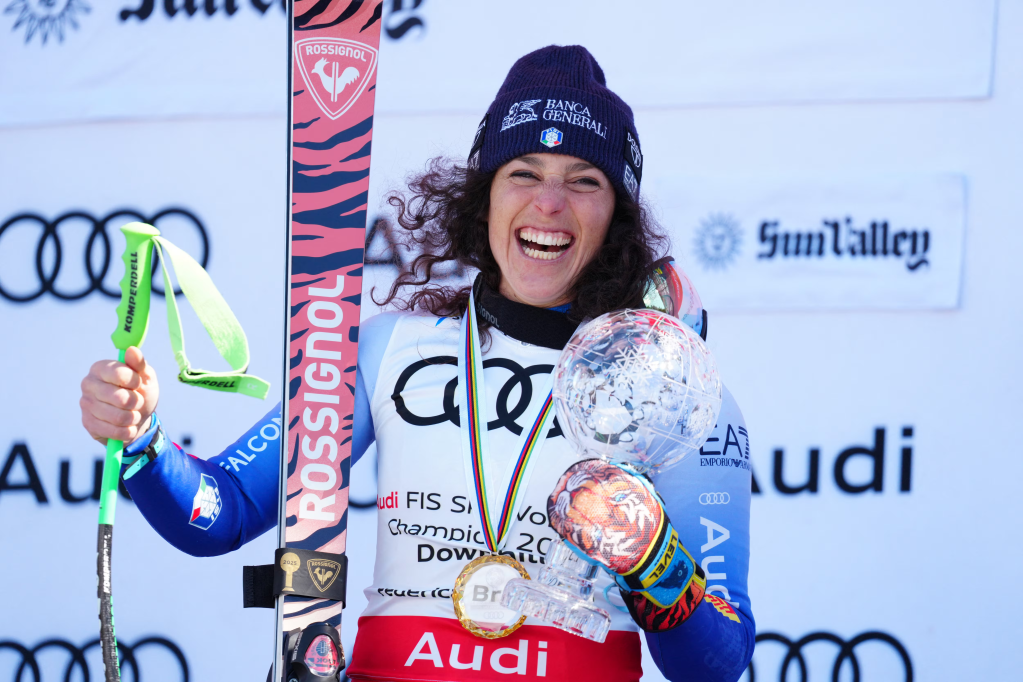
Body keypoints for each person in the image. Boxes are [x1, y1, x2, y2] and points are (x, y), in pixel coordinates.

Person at [79, 45, 754, 682]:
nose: (549, 203)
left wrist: (653, 557)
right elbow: (218, 514)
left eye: (584, 181)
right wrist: (141, 440)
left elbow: (716, 661)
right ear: (484, 198)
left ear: (617, 218)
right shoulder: (388, 350)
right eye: (523, 174)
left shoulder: (674, 392)